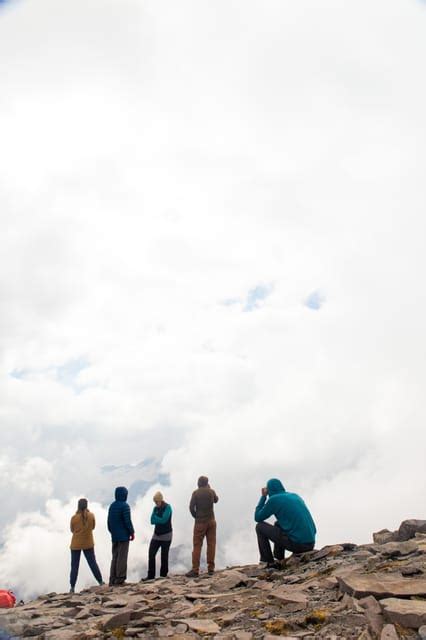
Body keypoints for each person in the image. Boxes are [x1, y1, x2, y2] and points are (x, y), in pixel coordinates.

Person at [254, 478, 316, 568]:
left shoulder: (273, 500)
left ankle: (267, 561)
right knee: (278, 524)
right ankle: (279, 558)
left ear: (269, 489)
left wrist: (263, 497)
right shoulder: (295, 496)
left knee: (260, 527)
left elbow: (258, 518)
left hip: (298, 545)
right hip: (310, 543)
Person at [186, 476, 219, 577]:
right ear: (207, 483)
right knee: (211, 544)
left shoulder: (195, 493)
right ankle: (211, 569)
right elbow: (216, 500)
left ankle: (195, 570)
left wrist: (196, 516)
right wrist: (210, 489)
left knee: (197, 546)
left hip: (200, 522)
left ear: (199, 483)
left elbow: (191, 507)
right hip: (211, 521)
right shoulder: (211, 491)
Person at [69, 498, 104, 593]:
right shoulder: (91, 516)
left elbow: (72, 530)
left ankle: (72, 588)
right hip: (88, 543)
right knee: (92, 563)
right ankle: (100, 582)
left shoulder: (74, 518)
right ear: (87, 506)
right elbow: (93, 527)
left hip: (75, 545)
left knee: (74, 566)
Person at [142, 491, 173, 581]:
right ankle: (151, 575)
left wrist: (157, 519)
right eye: (155, 502)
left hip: (166, 535)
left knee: (164, 555)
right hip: (157, 535)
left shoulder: (168, 507)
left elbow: (164, 520)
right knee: (151, 554)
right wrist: (157, 519)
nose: (156, 503)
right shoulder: (155, 508)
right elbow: (152, 520)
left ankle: (163, 575)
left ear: (160, 500)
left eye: (157, 502)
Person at [107, 486, 135, 586]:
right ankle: (120, 579)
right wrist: (132, 532)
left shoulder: (112, 506)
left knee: (115, 556)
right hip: (123, 536)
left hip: (114, 536)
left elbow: (109, 522)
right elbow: (127, 521)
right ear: (124, 495)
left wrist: (112, 532)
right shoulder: (125, 506)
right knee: (122, 557)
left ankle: (112, 579)